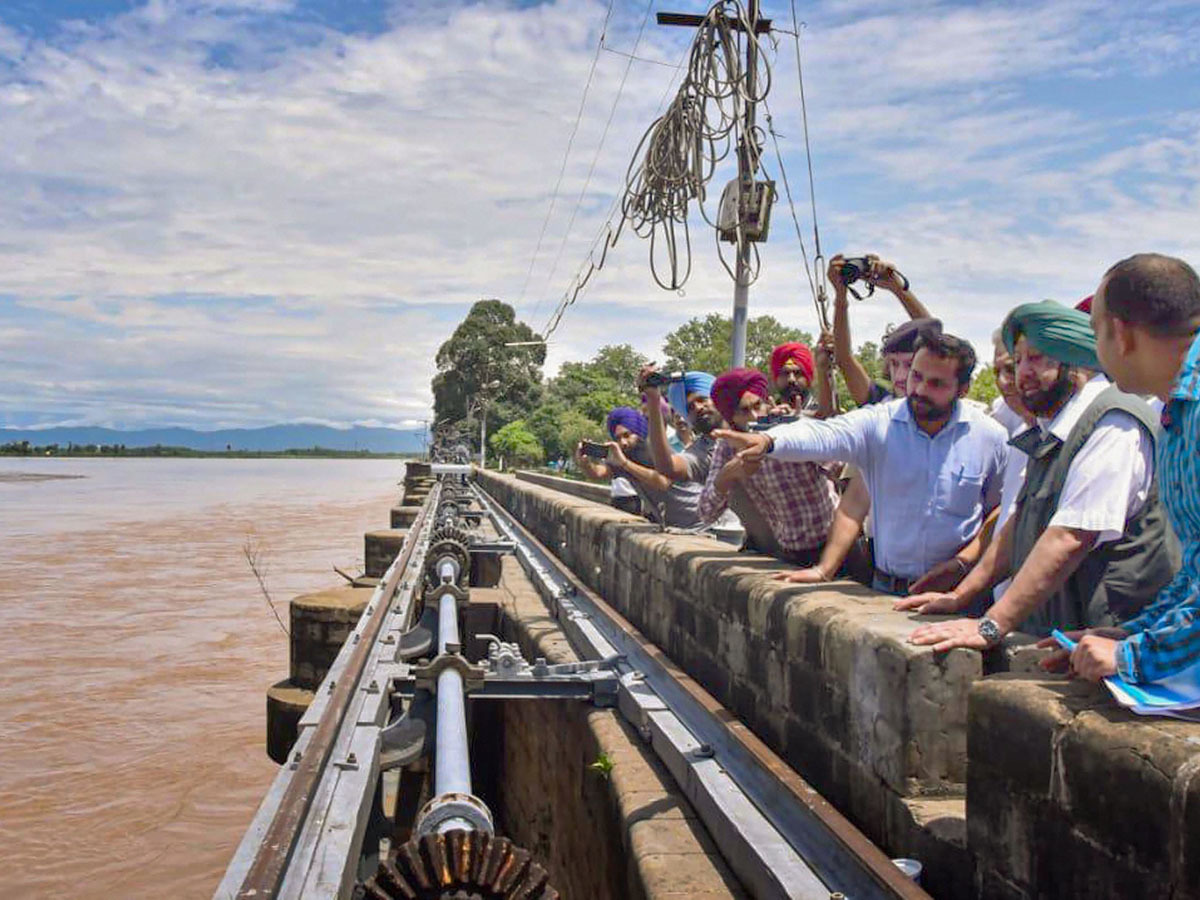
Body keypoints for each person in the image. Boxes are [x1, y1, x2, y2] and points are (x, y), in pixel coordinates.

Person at [900, 300, 1178, 651]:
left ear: (1073, 360)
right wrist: (961, 595)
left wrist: (990, 626)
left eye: (1037, 358)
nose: (1022, 374)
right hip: (1066, 636)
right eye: (1018, 361)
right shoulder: (1054, 429)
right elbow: (1022, 523)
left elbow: (1070, 537)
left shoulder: (1113, 422)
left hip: (1114, 639)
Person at [715, 333, 1008, 594]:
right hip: (887, 591)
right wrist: (769, 443)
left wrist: (962, 563)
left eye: (936, 383)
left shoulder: (990, 437)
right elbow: (825, 433)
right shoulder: (879, 423)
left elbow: (998, 511)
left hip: (961, 596)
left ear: (963, 389)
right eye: (916, 376)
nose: (919, 389)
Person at [1038, 254, 1200, 685]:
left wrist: (1135, 656)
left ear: (1120, 333)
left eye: (1096, 332)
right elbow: (1196, 573)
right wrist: (1134, 633)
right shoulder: (1175, 414)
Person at [698, 368, 837, 565]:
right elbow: (706, 513)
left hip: (835, 543)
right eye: (744, 411)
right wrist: (727, 475)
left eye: (757, 405)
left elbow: (837, 465)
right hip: (791, 554)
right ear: (732, 419)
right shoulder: (728, 446)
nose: (755, 416)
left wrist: (800, 429)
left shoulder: (788, 429)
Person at [825, 254, 939, 406]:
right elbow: (844, 359)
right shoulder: (880, 405)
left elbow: (933, 336)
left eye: (910, 365)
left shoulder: (944, 408)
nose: (900, 376)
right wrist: (840, 294)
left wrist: (897, 287)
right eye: (894, 364)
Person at [574, 406, 703, 528]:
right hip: (675, 524)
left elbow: (663, 483)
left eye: (627, 435)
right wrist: (585, 465)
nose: (623, 442)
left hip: (698, 519)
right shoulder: (624, 456)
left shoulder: (655, 451)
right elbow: (599, 474)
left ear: (638, 433)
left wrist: (625, 464)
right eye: (618, 438)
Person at [769, 341, 834, 417]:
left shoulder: (827, 414)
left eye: (797, 373)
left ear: (809, 378)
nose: (791, 379)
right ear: (775, 379)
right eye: (784, 373)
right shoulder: (767, 414)